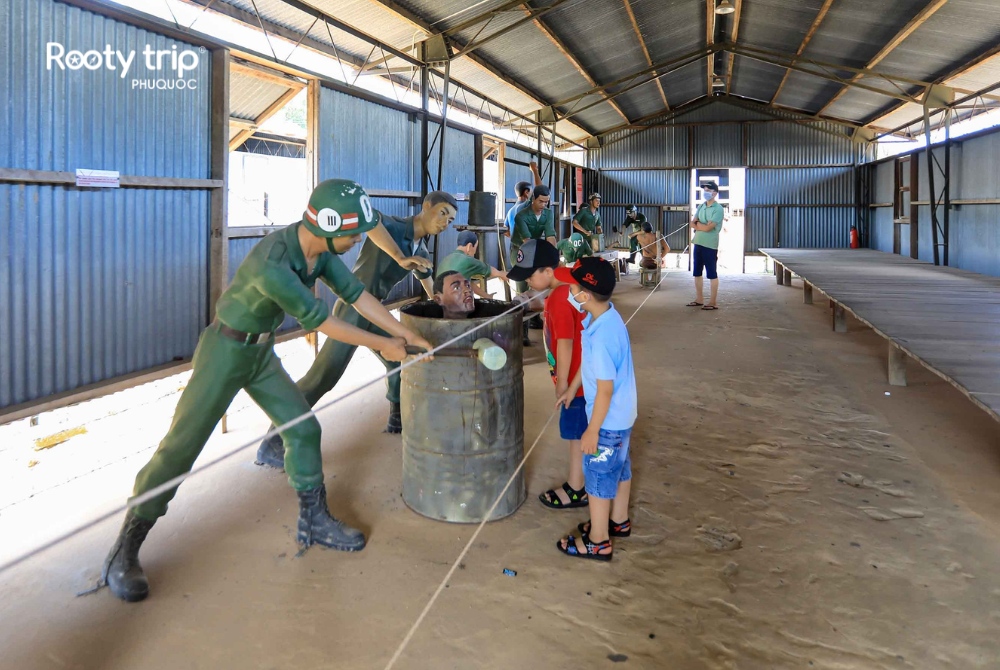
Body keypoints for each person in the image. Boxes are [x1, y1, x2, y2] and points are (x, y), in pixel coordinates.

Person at [100, 179, 433, 602]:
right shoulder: (273, 263)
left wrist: (404, 333)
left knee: (303, 430)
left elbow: (357, 295)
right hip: (226, 351)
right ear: (330, 226)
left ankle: (314, 520)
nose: (358, 240)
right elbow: (323, 322)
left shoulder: (319, 252)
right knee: (180, 449)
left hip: (259, 353)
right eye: (354, 232)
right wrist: (386, 344)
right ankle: (124, 548)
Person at [255, 191, 457, 471]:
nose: (446, 221)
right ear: (426, 207)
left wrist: (441, 300)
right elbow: (369, 221)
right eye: (443, 212)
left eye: (452, 218)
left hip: (376, 312)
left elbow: (427, 281)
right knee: (325, 375)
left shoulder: (421, 251)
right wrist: (399, 257)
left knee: (399, 358)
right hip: (353, 308)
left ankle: (397, 414)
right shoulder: (394, 227)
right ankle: (273, 440)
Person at [554, 257, 636, 561]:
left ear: (584, 296)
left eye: (572, 287)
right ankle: (618, 521)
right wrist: (573, 387)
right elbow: (588, 366)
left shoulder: (602, 337)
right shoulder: (603, 319)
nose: (569, 291)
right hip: (623, 416)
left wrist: (592, 430)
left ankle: (599, 540)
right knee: (620, 468)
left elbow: (604, 390)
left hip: (607, 421)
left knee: (599, 478)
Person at [506, 240, 588, 511]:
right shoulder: (568, 287)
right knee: (581, 432)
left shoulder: (560, 298)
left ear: (548, 271)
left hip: (577, 384)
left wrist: (562, 384)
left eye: (530, 275)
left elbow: (565, 342)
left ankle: (577, 488)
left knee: (577, 435)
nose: (527, 281)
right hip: (585, 378)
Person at [512, 185, 558, 344]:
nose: (543, 205)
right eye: (541, 201)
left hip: (536, 248)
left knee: (541, 283)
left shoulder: (548, 214)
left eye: (546, 202)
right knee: (523, 288)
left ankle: (535, 318)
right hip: (520, 251)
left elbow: (550, 236)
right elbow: (527, 242)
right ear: (533, 199)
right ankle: (521, 330)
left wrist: (554, 258)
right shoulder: (521, 216)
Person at [437, 230, 507, 299]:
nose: (474, 253)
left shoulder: (446, 259)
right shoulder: (467, 260)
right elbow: (492, 271)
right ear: (469, 246)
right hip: (456, 305)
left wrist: (487, 296)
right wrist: (504, 275)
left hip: (440, 303)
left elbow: (469, 284)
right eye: (475, 248)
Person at [687, 181, 724, 311]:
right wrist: (702, 226)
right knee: (697, 272)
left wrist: (700, 226)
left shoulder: (718, 209)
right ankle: (699, 299)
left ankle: (713, 302)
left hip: (710, 245)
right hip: (698, 243)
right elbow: (692, 223)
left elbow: (710, 228)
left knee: (711, 273)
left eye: (708, 190)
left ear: (714, 193)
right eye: (704, 190)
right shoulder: (701, 206)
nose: (705, 192)